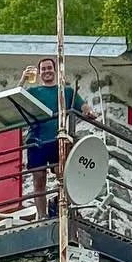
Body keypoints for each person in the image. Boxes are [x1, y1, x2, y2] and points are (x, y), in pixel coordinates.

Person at [20, 59, 79, 219]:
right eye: (43, 69)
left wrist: (89, 112)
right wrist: (24, 79)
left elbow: (83, 107)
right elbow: (18, 98)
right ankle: (42, 215)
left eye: (49, 68)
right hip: (36, 140)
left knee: (62, 174)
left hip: (57, 139)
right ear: (39, 73)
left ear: (55, 70)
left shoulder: (66, 91)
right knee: (39, 181)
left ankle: (64, 209)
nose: (47, 71)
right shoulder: (34, 91)